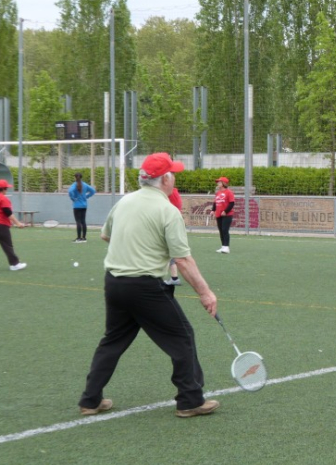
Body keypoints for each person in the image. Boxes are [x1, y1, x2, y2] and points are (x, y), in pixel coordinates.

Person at [78, 152, 220, 418]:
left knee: (113, 340)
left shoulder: (125, 202)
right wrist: (205, 293)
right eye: (173, 173)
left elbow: (106, 236)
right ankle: (190, 400)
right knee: (182, 338)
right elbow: (184, 260)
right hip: (145, 287)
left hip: (114, 283)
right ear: (165, 178)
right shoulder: (167, 210)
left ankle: (90, 399)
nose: (175, 177)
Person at [68, 172, 96, 243]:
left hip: (77, 205)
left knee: (78, 221)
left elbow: (70, 191)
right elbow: (93, 191)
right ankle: (84, 238)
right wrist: (87, 196)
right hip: (84, 205)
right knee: (83, 221)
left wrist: (73, 198)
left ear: (75, 177)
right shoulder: (85, 185)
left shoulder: (74, 185)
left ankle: (78, 238)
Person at [212, 176, 234, 254]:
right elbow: (215, 202)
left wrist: (225, 211)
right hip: (218, 214)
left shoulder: (229, 192)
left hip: (227, 215)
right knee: (221, 230)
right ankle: (223, 246)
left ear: (224, 183)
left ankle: (226, 247)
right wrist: (213, 210)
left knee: (225, 230)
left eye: (219, 182)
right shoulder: (218, 193)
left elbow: (232, 203)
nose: (218, 183)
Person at [166, 187, 183, 286]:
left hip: (170, 224)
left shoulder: (168, 192)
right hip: (173, 224)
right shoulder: (174, 191)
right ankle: (174, 278)